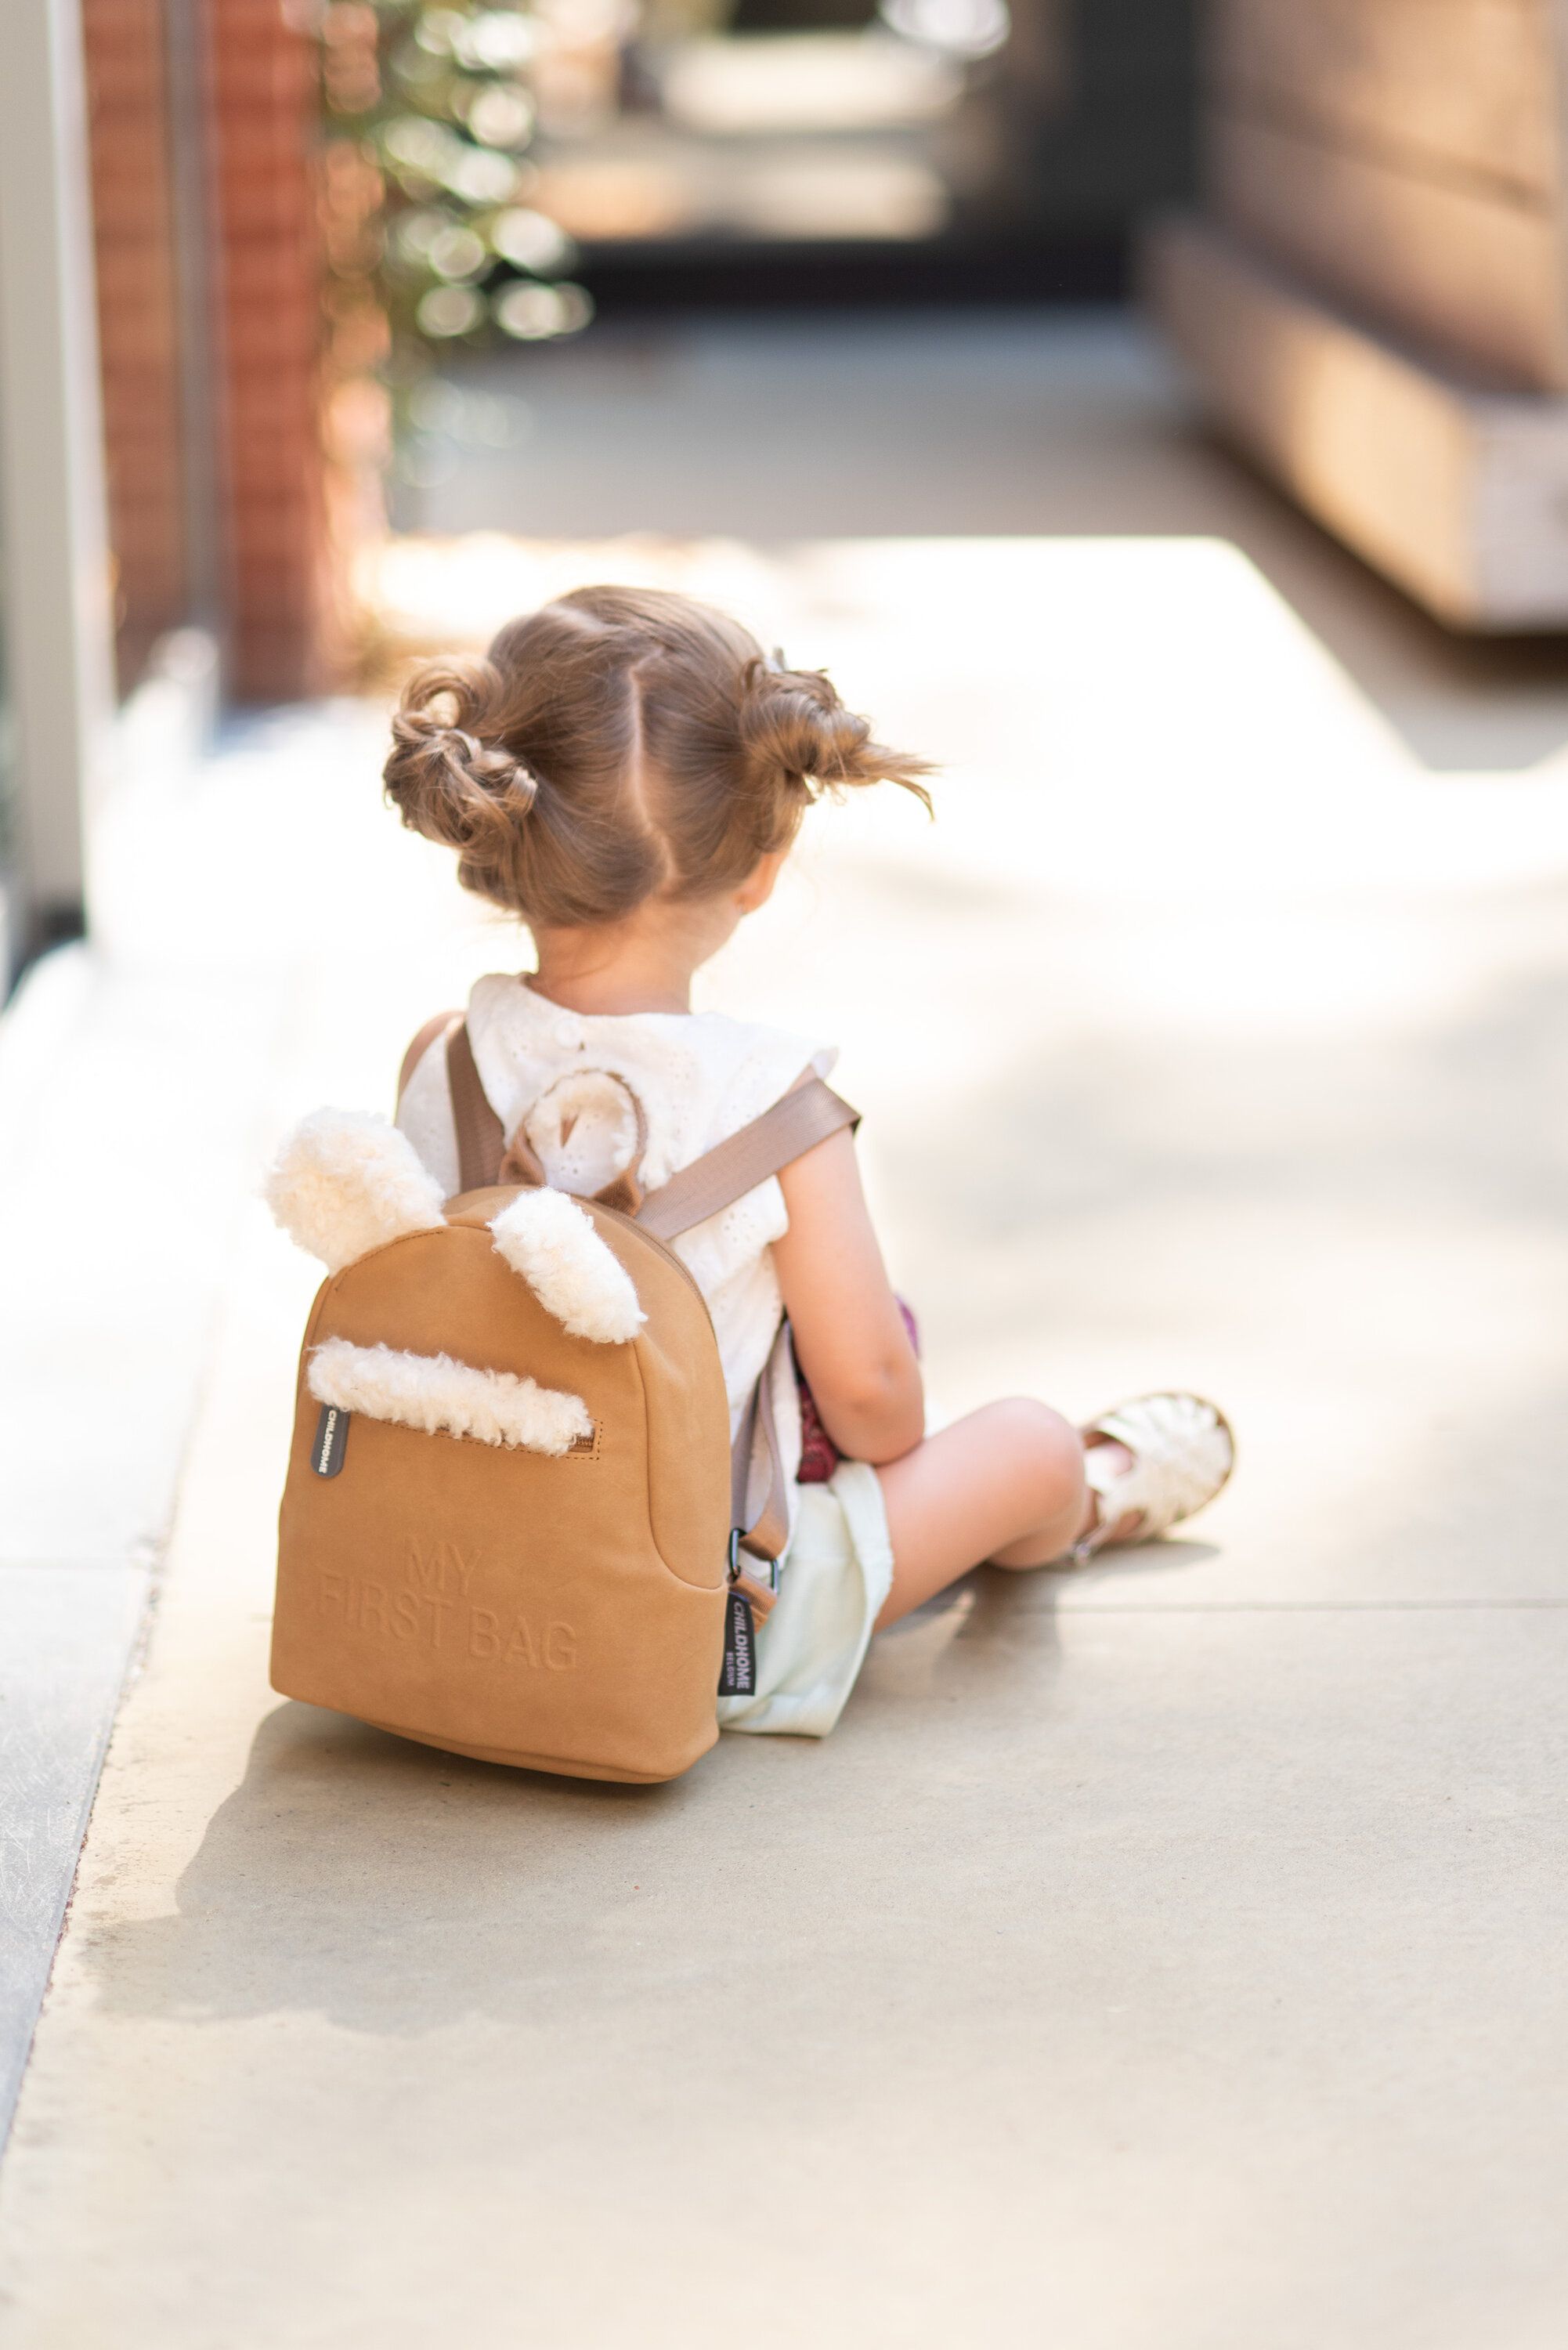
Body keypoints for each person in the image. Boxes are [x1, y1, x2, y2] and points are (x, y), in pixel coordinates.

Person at [388, 585, 1233, 1740]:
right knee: (1024, 1443)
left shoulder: (443, 1062)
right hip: (690, 1629)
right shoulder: (775, 1104)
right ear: (764, 864)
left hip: (455, 1600)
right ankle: (1082, 1504)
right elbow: (879, 1412)